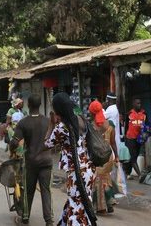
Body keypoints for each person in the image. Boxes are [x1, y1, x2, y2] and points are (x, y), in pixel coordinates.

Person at [45, 93, 96, 226]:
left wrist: (51, 124)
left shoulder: (62, 127)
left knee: (77, 210)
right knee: (79, 204)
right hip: (89, 169)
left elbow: (46, 145)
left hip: (77, 173)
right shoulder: (81, 120)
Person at [8, 95, 54, 225]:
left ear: (28, 105)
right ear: (39, 105)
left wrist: (11, 152)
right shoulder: (47, 121)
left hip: (31, 162)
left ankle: (25, 217)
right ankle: (49, 220)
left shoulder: (24, 122)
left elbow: (14, 142)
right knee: (46, 191)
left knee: (28, 190)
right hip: (47, 161)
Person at [89, 100, 119, 215]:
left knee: (98, 181)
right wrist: (116, 156)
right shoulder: (110, 124)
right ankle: (110, 203)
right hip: (108, 156)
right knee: (106, 179)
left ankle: (101, 208)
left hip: (97, 157)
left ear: (91, 113)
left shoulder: (90, 126)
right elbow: (113, 143)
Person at [124, 97, 151, 180]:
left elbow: (148, 125)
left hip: (139, 139)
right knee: (133, 156)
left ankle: (126, 171)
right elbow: (126, 127)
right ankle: (140, 175)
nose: (139, 105)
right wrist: (125, 137)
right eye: (137, 103)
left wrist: (148, 131)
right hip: (130, 138)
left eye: (140, 103)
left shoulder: (144, 114)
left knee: (134, 157)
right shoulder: (129, 114)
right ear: (133, 104)